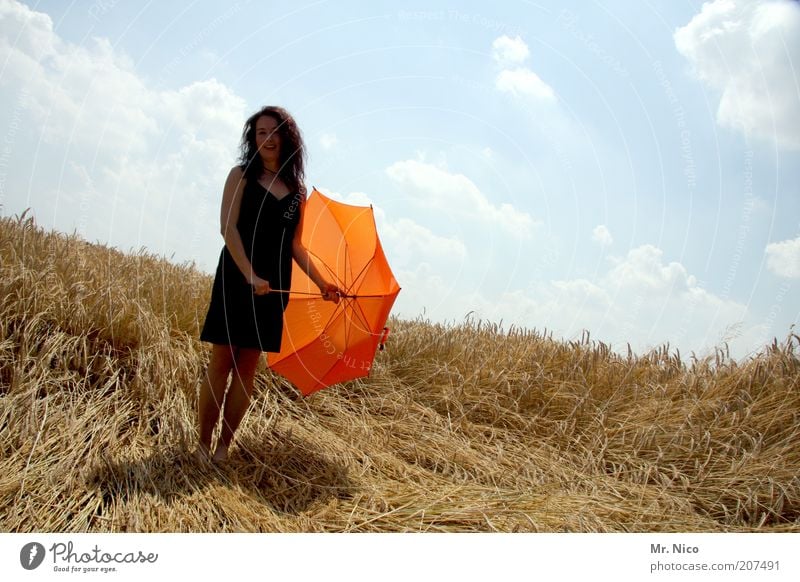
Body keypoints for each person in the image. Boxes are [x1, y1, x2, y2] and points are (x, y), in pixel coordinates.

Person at [196, 106, 340, 462]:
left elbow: (295, 244)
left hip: (274, 287)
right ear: (253, 138)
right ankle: (201, 443)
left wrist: (323, 282)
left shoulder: (296, 191)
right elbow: (227, 229)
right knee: (221, 360)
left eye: (274, 132)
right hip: (236, 277)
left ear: (286, 137)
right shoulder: (241, 175)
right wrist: (249, 275)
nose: (268, 139)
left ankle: (223, 447)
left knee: (247, 367)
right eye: (260, 133)